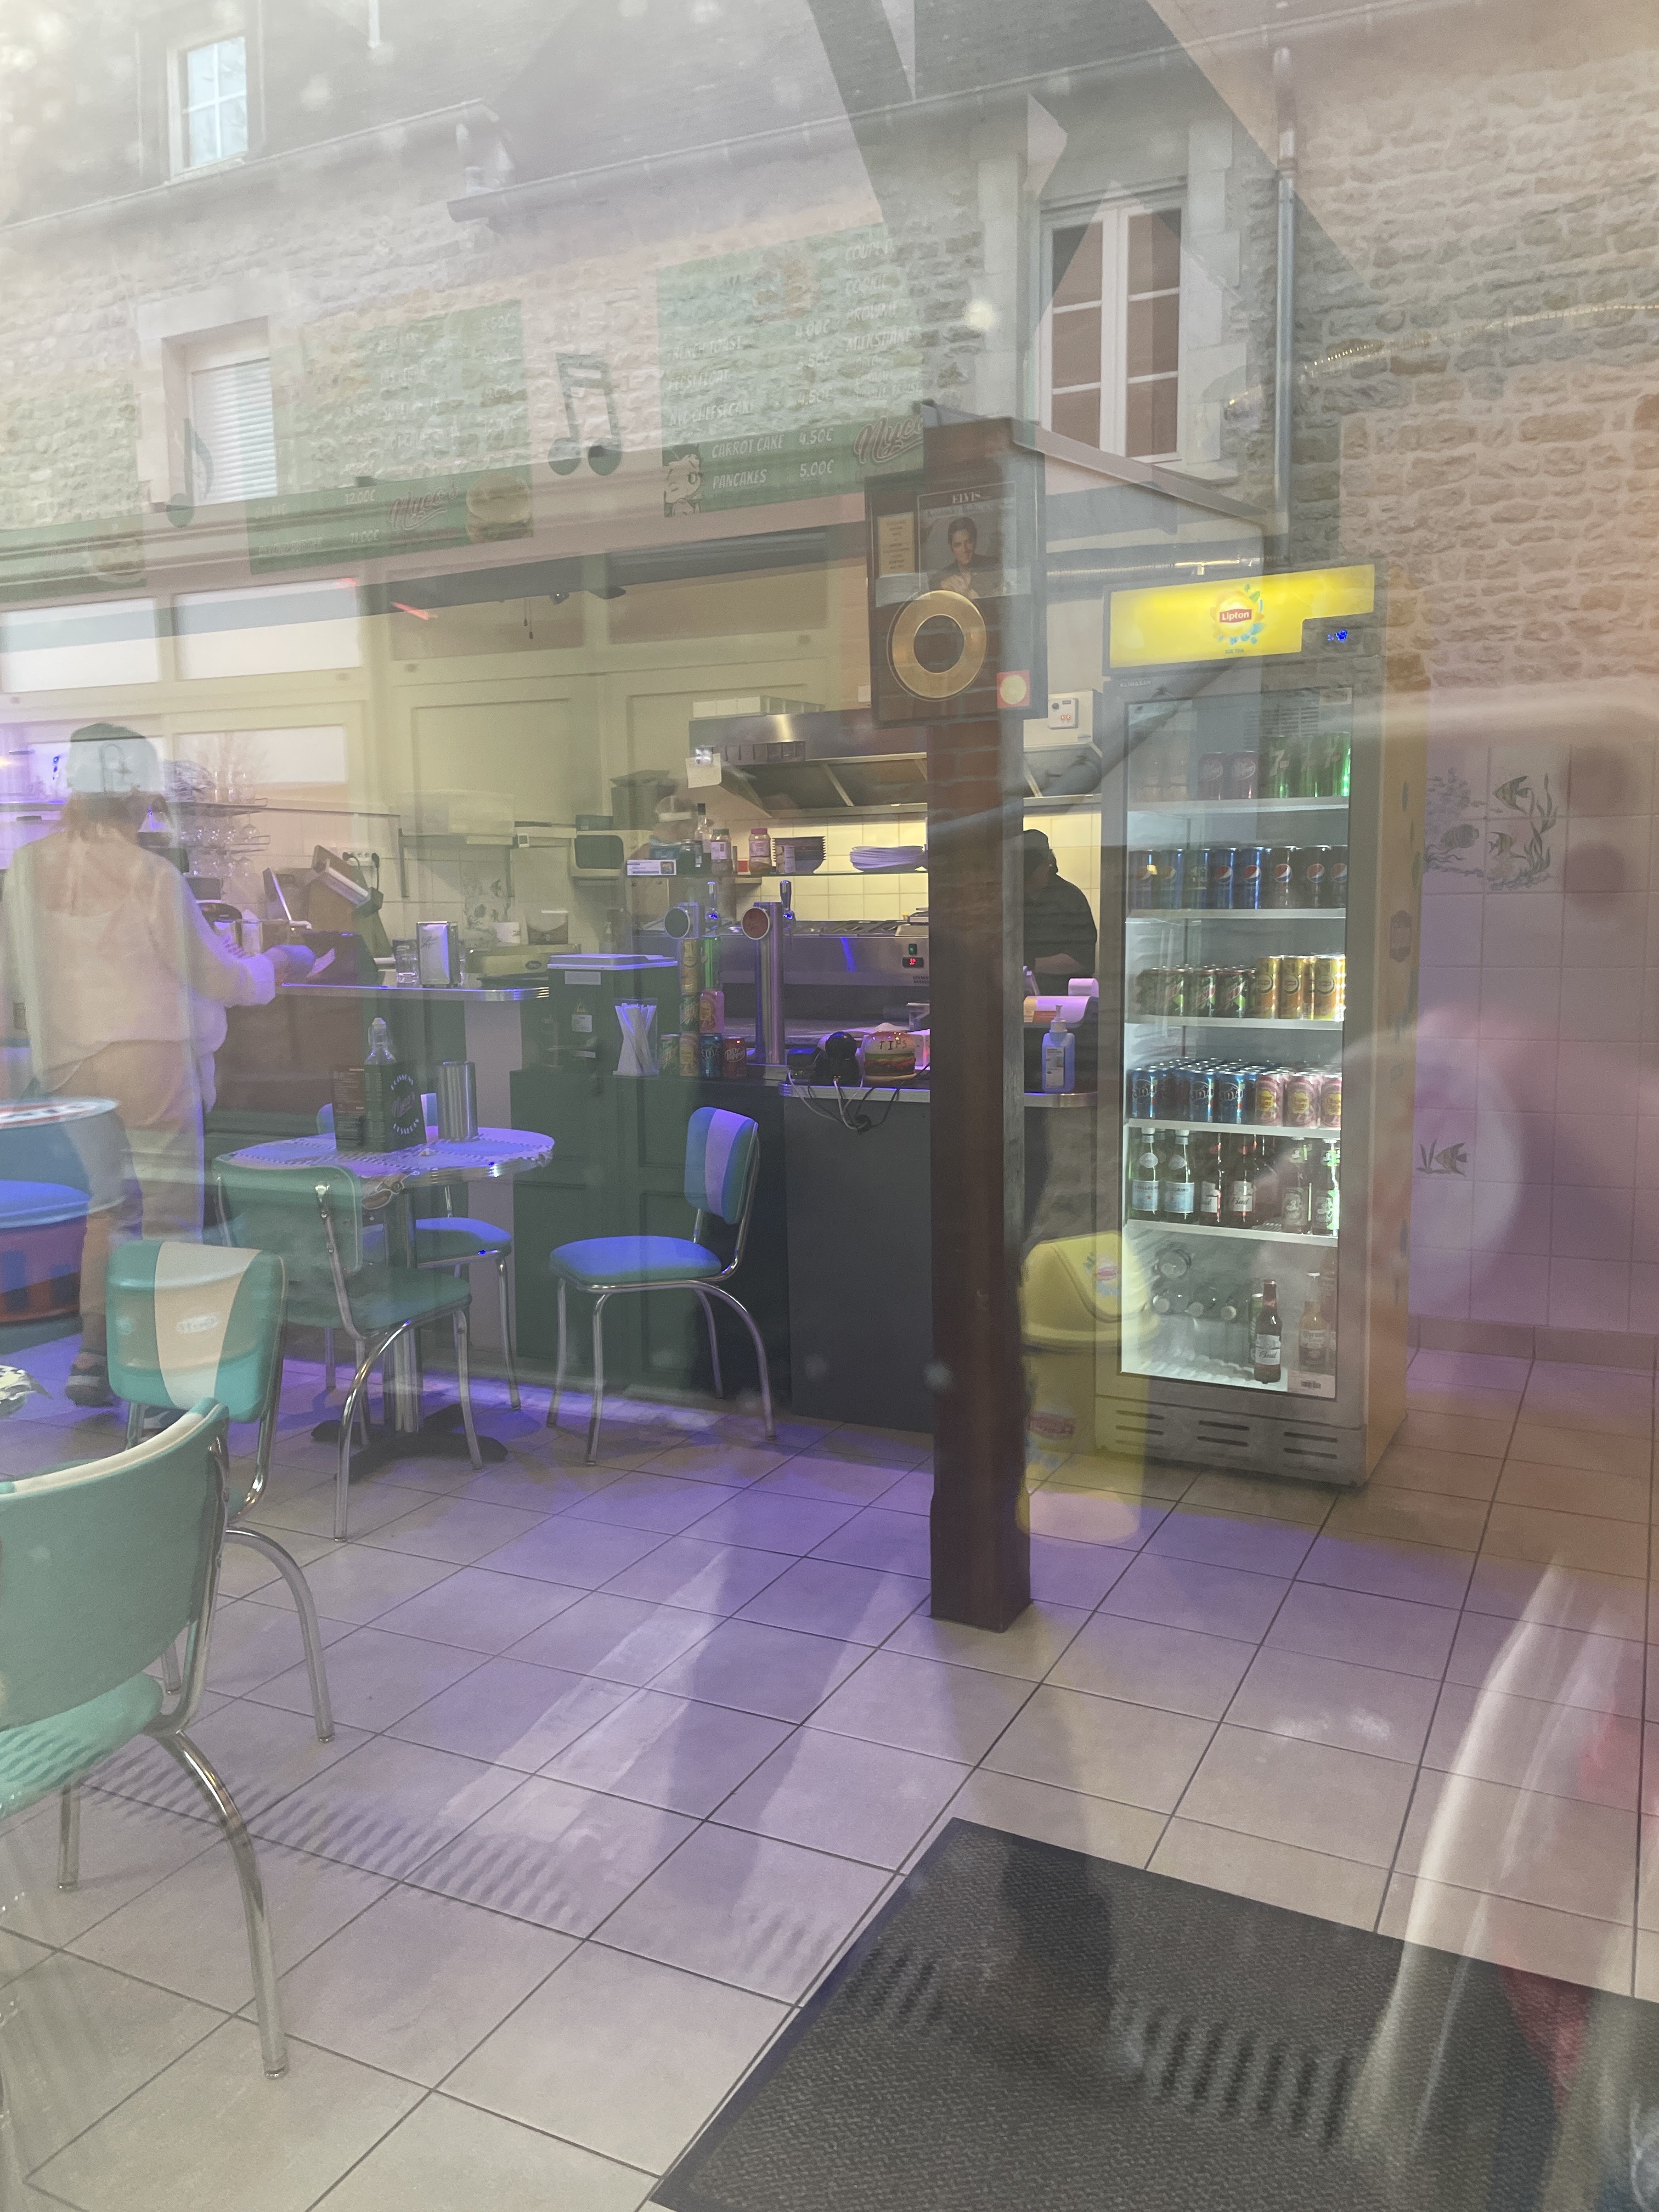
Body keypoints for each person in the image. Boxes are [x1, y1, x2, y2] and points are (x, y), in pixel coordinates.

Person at [0, 723, 314, 1404]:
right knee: (173, 1217)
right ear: (140, 795)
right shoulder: (150, 876)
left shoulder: (27, 869)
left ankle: (94, 1357)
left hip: (69, 1069)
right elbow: (220, 978)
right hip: (152, 1065)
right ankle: (167, 1371)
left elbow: (13, 976)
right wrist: (278, 963)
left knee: (108, 1210)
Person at [1022, 827, 1097, 981]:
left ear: (1046, 865)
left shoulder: (1070, 899)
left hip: (1063, 992)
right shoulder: (1012, 898)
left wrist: (1029, 964)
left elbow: (1081, 959)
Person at [933, 515, 986, 600]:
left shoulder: (993, 566)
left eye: (968, 542)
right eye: (958, 545)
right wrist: (942, 588)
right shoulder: (941, 577)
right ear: (952, 548)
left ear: (975, 542)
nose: (964, 550)